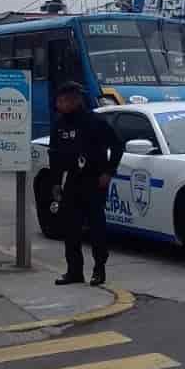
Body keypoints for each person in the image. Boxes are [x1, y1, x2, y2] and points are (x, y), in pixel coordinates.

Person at [49, 81, 122, 287]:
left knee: (96, 228)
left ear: (75, 100)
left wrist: (109, 171)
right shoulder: (60, 125)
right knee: (70, 229)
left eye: (64, 101)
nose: (60, 105)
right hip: (72, 181)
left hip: (94, 180)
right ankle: (74, 271)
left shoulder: (94, 122)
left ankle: (99, 268)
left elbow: (117, 145)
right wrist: (55, 182)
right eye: (59, 101)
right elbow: (54, 155)